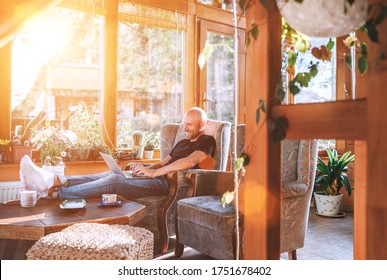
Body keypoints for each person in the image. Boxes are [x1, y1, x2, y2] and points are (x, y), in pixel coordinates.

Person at [19, 107, 216, 200]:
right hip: (157, 177)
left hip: (169, 184)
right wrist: (145, 168)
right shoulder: (182, 141)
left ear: (203, 124)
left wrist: (155, 173)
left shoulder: (207, 140)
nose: (186, 127)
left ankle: (53, 194)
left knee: (116, 183)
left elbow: (191, 162)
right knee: (112, 174)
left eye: (190, 124)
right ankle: (54, 180)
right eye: (185, 122)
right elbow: (163, 161)